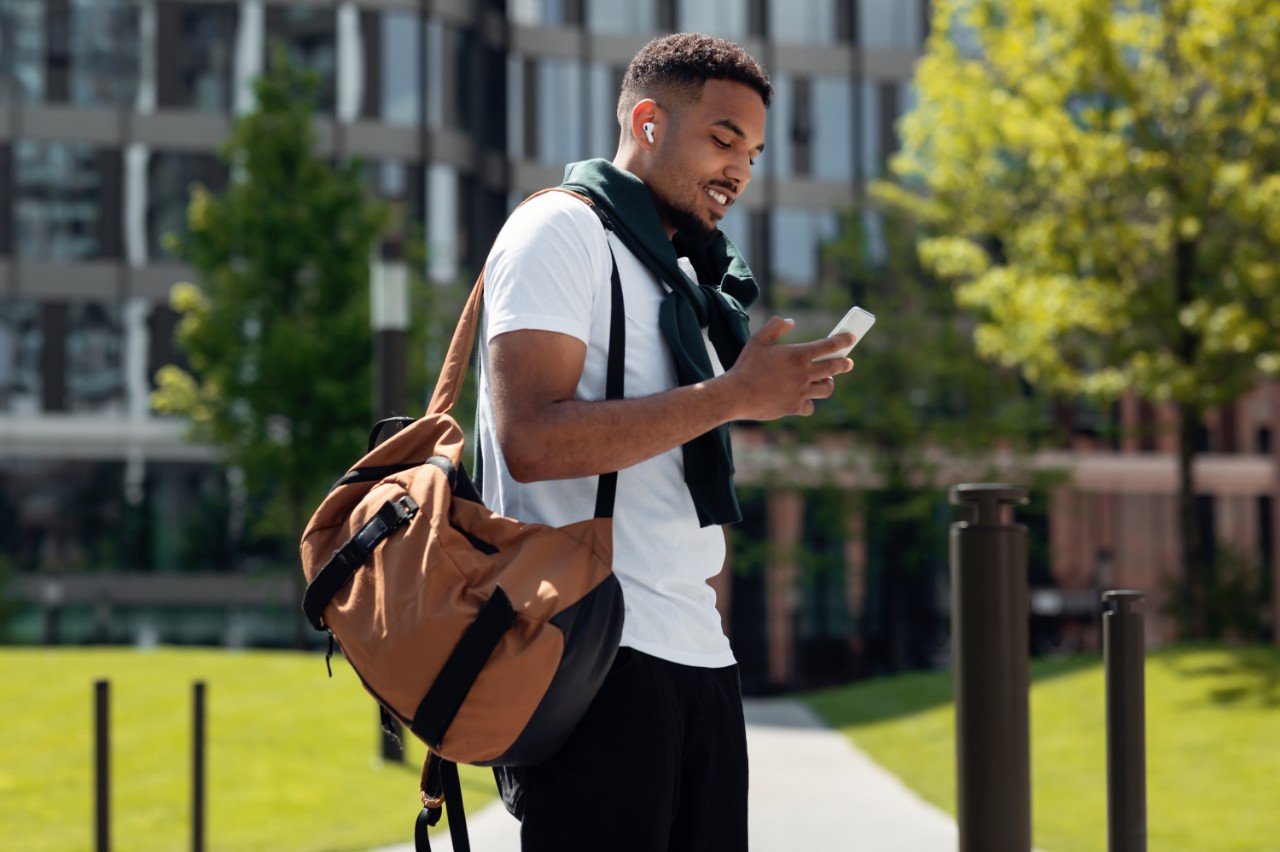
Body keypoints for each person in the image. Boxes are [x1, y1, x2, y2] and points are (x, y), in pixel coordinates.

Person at [475, 32, 855, 852]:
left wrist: (739, 397)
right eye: (722, 140)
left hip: (698, 657)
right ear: (648, 121)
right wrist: (730, 396)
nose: (739, 172)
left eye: (752, 154)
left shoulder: (682, 278)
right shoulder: (559, 231)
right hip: (594, 657)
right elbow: (529, 439)